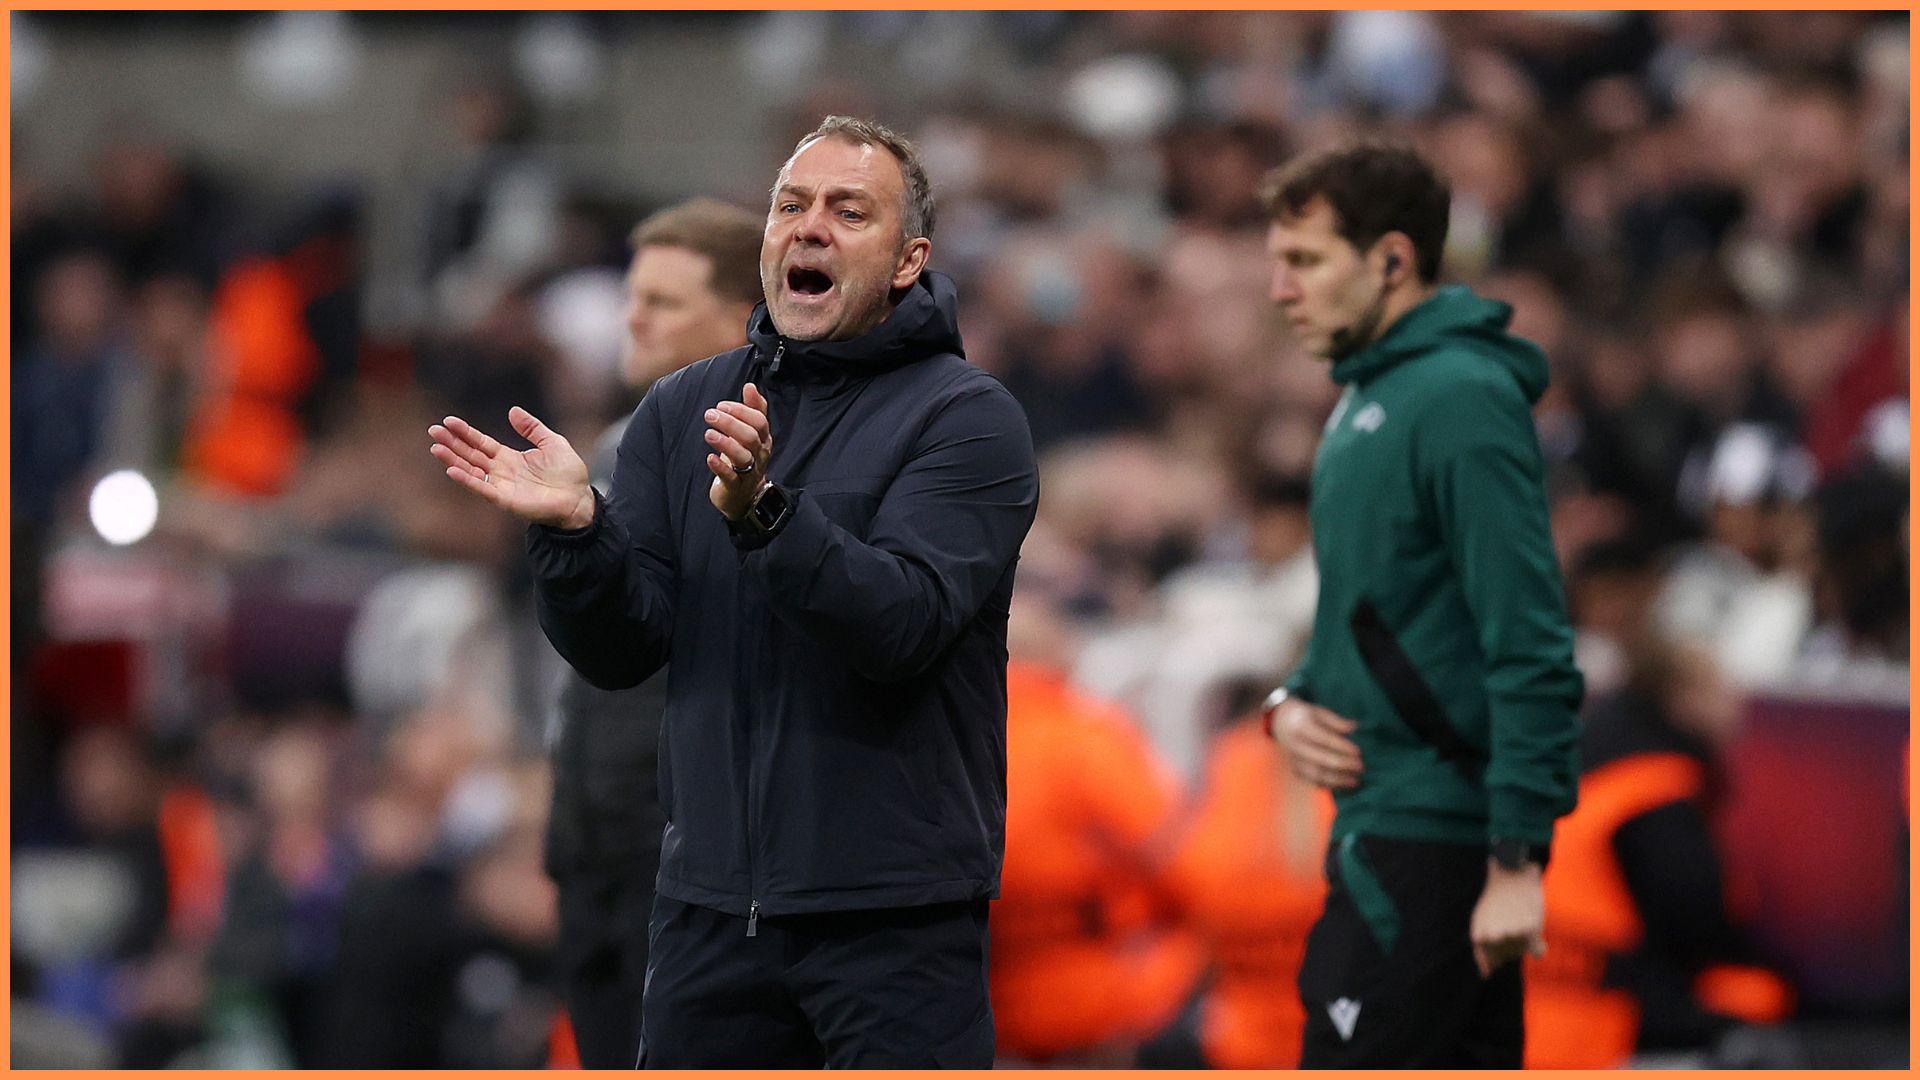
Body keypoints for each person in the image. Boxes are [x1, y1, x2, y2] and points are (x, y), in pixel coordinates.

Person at [428, 115, 1039, 1068]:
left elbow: (904, 624)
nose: (809, 228)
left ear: (909, 258)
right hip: (707, 914)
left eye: (848, 211)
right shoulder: (680, 408)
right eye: (790, 206)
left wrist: (766, 516)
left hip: (894, 921)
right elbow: (626, 647)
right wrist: (577, 535)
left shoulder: (967, 417)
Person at [1258, 142, 1585, 1067]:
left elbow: (1528, 635)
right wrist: (1290, 704)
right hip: (1385, 824)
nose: (1282, 289)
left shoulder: (1458, 397)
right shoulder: (1372, 395)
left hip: (1435, 843)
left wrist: (1518, 859)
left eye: (1308, 261)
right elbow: (1368, 614)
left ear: (1393, 260)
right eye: (1278, 262)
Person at [542, 197, 762, 1069]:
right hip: (591, 833)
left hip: (682, 837)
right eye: (635, 294)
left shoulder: (759, 456)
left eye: (663, 302)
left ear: (744, 314)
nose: (631, 316)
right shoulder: (608, 449)